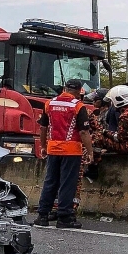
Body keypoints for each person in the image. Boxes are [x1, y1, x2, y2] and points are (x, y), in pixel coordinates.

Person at [34, 79, 94, 229]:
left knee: (50, 181)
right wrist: (90, 152)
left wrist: (43, 146)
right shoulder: (78, 106)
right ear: (79, 91)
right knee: (67, 184)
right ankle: (64, 217)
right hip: (71, 150)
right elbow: (83, 132)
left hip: (52, 149)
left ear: (65, 89)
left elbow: (43, 127)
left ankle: (42, 215)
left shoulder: (50, 103)